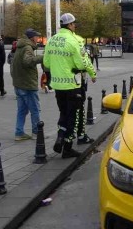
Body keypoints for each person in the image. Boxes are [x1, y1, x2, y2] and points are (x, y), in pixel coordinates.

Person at [43, 13, 96, 159]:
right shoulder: (73, 41)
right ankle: (67, 147)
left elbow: (46, 63)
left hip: (58, 85)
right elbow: (80, 63)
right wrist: (92, 73)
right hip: (72, 84)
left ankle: (60, 135)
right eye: (74, 24)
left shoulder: (51, 40)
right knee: (72, 116)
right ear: (71, 25)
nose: (75, 26)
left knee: (63, 113)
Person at [11, 29, 44, 141]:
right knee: (35, 109)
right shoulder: (28, 47)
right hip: (28, 85)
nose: (38, 39)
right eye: (36, 37)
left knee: (22, 110)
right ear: (32, 38)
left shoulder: (19, 47)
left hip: (19, 84)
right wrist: (43, 57)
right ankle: (37, 133)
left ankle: (19, 133)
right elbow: (27, 61)